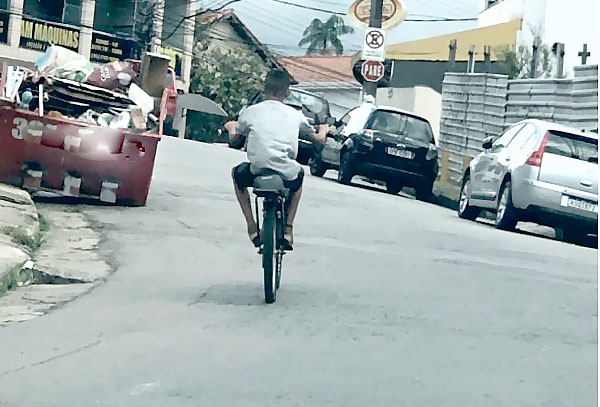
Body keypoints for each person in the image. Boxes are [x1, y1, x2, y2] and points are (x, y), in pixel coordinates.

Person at [227, 69, 330, 250]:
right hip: (286, 171)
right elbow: (318, 140)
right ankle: (288, 229)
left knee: (237, 174)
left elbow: (235, 141)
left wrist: (231, 127)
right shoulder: (295, 115)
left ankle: (252, 226)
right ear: (287, 92)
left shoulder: (250, 112)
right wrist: (324, 130)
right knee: (299, 177)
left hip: (257, 169)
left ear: (263, 88)